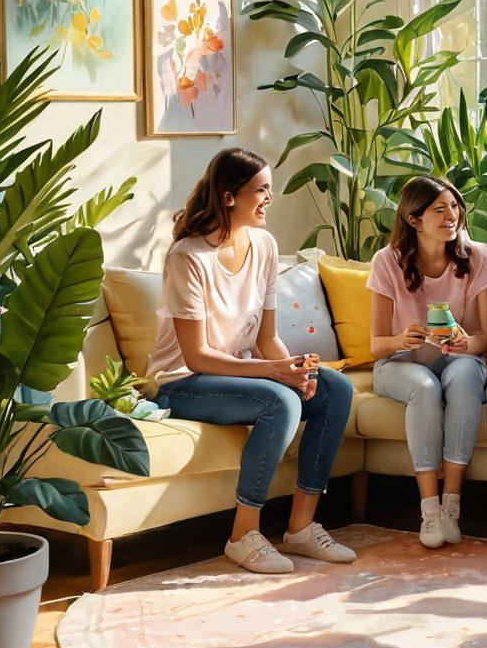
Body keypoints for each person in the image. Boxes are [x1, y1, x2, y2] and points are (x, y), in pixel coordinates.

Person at [148, 148, 356, 575]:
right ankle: (243, 535)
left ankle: (301, 526)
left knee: (335, 389)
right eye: (260, 190)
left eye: (270, 190)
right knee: (278, 402)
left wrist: (295, 370)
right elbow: (197, 356)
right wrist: (276, 374)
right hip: (182, 382)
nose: (268, 199)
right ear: (229, 197)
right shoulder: (188, 257)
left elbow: (266, 338)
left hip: (235, 373)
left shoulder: (264, 245)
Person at [368, 176, 487, 549]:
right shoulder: (386, 261)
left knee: (466, 374)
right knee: (424, 388)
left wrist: (464, 340)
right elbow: (376, 345)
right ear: (414, 219)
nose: (451, 216)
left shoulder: (476, 256)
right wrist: (401, 339)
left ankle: (451, 504)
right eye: (439, 209)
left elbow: (485, 339)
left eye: (455, 207)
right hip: (400, 364)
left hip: (456, 358)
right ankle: (429, 508)